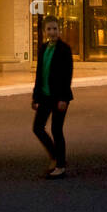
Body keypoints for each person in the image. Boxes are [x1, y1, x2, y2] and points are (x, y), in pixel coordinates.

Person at [31, 16, 73, 178]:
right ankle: (55, 156)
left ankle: (60, 166)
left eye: (55, 29)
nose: (52, 32)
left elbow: (67, 74)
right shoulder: (43, 48)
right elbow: (39, 73)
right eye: (49, 29)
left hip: (59, 97)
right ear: (44, 31)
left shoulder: (64, 49)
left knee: (56, 129)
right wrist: (35, 97)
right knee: (37, 127)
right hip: (44, 95)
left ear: (59, 30)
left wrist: (63, 99)